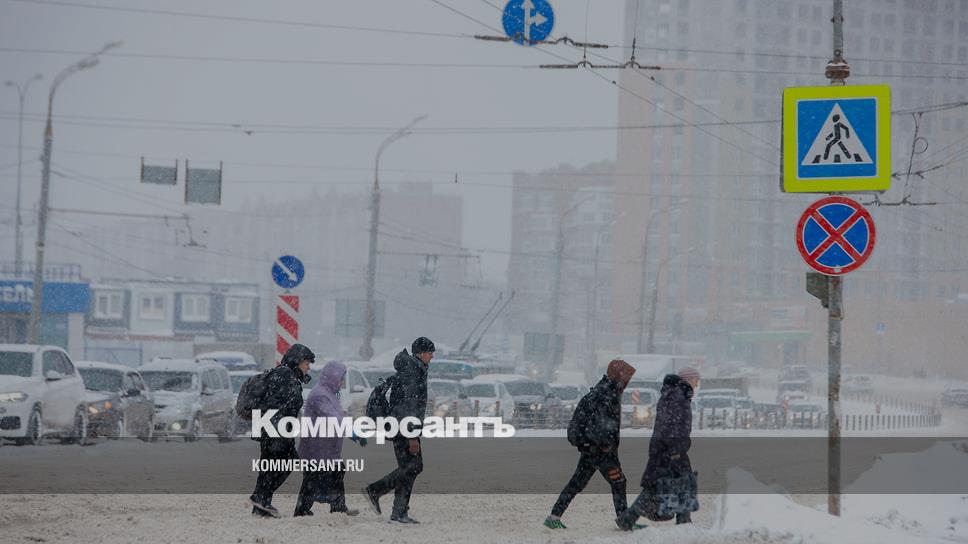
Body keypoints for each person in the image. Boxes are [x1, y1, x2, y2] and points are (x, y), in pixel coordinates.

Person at [544, 359, 636, 530]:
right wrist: (605, 445)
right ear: (618, 376)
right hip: (602, 451)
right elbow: (602, 424)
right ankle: (624, 519)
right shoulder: (607, 394)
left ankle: (554, 516)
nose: (627, 381)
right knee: (618, 481)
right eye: (625, 377)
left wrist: (591, 444)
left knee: (577, 483)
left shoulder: (602, 391)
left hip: (590, 449)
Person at [616, 367, 700, 530]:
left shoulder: (676, 395)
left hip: (667, 449)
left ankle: (628, 519)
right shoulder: (677, 396)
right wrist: (675, 449)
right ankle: (683, 522)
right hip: (670, 450)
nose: (696, 384)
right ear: (688, 379)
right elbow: (670, 425)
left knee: (668, 484)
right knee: (675, 484)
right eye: (695, 380)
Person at [363, 337, 434, 524]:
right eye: (430, 352)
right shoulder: (412, 373)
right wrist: (412, 436)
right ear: (420, 353)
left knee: (409, 468)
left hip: (401, 426)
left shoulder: (414, 370)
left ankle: (399, 511)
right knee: (413, 467)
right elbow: (408, 407)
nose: (432, 356)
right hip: (403, 428)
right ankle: (376, 491)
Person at [249, 344, 314, 518]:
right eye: (307, 363)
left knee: (269, 467)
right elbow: (279, 405)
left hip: (270, 428)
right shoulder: (286, 376)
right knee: (287, 462)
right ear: (298, 361)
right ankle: (260, 497)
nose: (308, 368)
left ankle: (261, 506)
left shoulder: (282, 373)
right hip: (276, 430)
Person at [294, 360, 366, 517]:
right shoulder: (320, 395)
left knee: (333, 472)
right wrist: (352, 432)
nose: (342, 382)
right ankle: (303, 509)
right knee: (314, 477)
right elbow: (333, 418)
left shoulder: (328, 393)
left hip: (325, 446)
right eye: (340, 379)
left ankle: (335, 507)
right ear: (333, 377)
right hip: (317, 446)